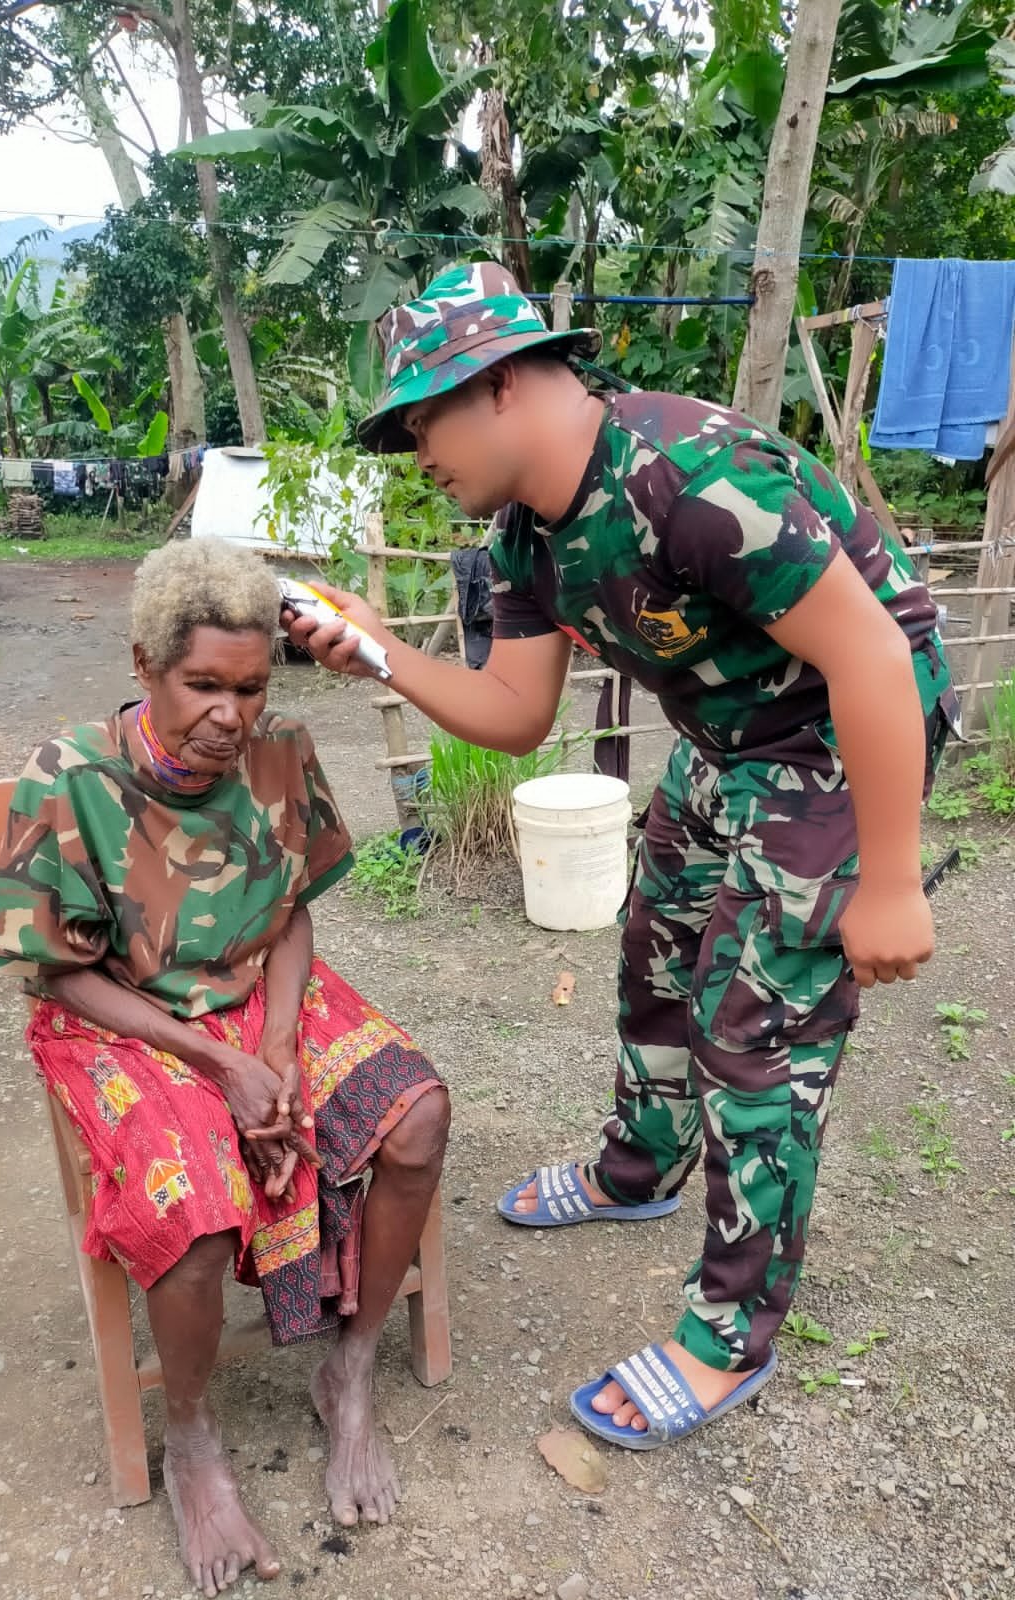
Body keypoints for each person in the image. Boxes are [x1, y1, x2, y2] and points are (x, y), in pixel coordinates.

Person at [285, 260, 958, 1453]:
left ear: (498, 384)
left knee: (755, 1034)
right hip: (735, 738)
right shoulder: (526, 543)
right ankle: (640, 1168)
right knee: (657, 946)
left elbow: (872, 659)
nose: (415, 451)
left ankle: (727, 1333)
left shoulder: (685, 476)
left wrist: (890, 878)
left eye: (422, 417)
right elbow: (512, 710)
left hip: (848, 732)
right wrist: (381, 654)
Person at [0, 539, 450, 1594]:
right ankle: (190, 1437)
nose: (228, 715)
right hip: (125, 1015)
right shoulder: (71, 778)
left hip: (259, 988)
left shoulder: (278, 750)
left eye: (248, 686)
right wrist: (213, 1060)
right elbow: (54, 978)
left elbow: (291, 918)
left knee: (416, 1114)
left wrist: (275, 1046)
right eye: (202, 686)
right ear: (144, 665)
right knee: (192, 1204)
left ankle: (350, 1365)